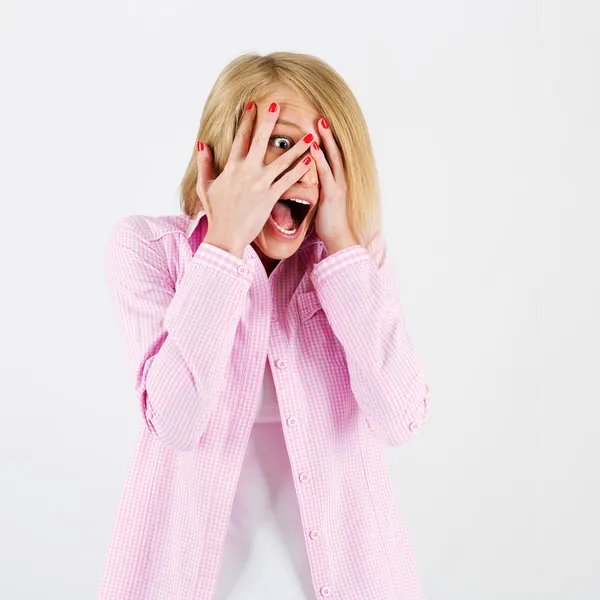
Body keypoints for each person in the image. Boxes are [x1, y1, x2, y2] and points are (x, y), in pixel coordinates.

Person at [98, 51, 430, 600]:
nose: (300, 167)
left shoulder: (356, 263)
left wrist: (345, 249)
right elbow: (175, 420)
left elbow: (400, 418)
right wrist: (224, 247)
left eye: (321, 148)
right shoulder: (149, 250)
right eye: (279, 143)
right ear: (225, 152)